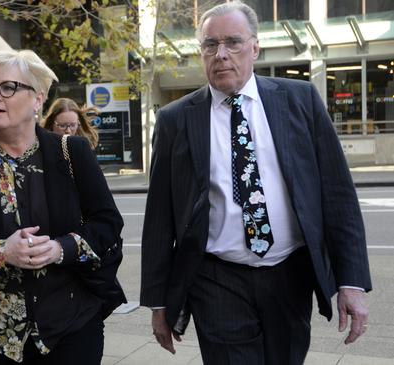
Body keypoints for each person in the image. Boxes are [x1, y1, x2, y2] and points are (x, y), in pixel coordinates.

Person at [140, 2, 371, 364]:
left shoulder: (300, 100)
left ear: (255, 48)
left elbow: (338, 195)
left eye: (232, 42)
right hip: (216, 276)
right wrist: (158, 303)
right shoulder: (175, 120)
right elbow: (159, 218)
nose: (220, 54)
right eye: (209, 45)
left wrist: (351, 282)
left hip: (289, 273)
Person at [0, 49, 125, 364]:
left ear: (38, 99)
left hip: (69, 328)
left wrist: (61, 248)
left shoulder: (72, 152)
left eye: (8, 87)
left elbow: (108, 226)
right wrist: (1, 253)